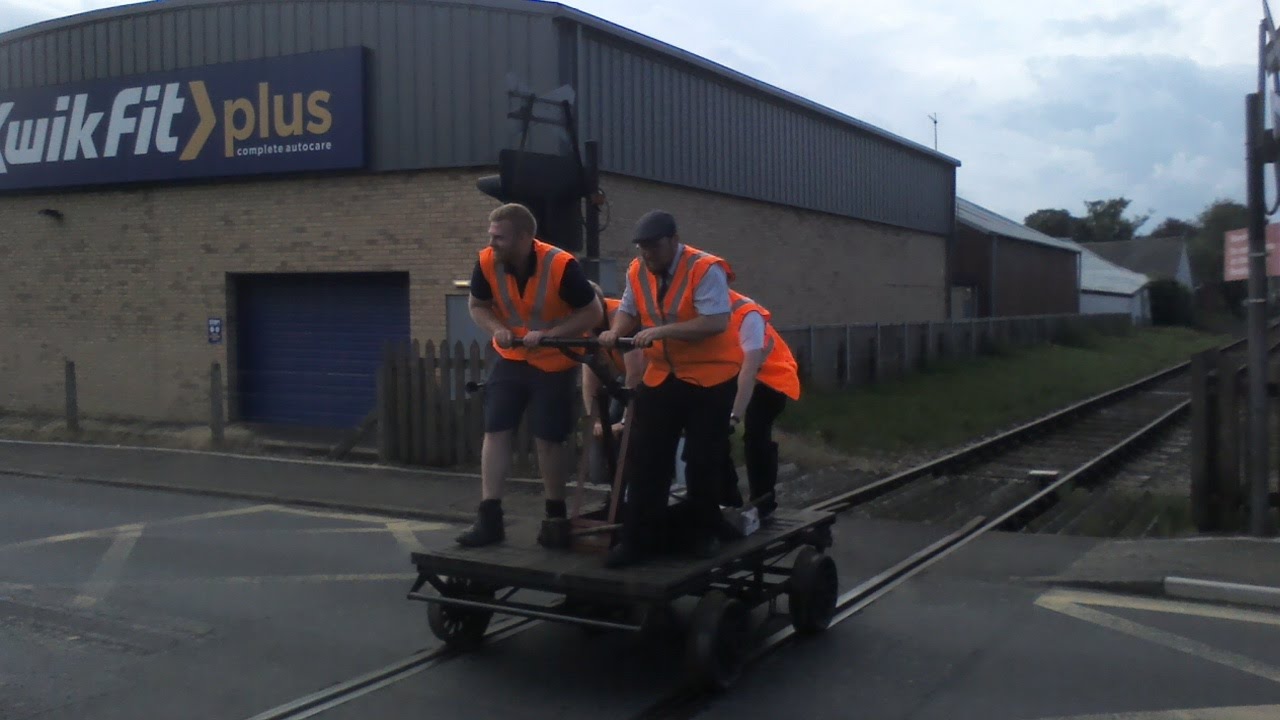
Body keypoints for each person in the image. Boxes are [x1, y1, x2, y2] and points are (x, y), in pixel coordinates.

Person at [598, 210, 742, 568]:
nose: (648, 255)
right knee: (647, 457)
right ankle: (637, 540)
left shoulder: (705, 269)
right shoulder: (637, 270)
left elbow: (715, 322)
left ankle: (705, 531)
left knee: (702, 457)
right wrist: (616, 330)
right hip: (663, 376)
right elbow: (629, 311)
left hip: (710, 378)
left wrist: (661, 332)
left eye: (654, 248)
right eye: (643, 249)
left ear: (673, 241)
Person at [456, 203, 603, 548]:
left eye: (500, 237)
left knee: (548, 438)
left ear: (524, 237)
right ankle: (489, 517)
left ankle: (554, 517)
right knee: (496, 429)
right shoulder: (487, 262)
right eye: (491, 236)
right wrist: (496, 328)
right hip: (512, 356)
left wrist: (553, 334)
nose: (492, 243)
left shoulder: (561, 265)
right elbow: (477, 306)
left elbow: (592, 312)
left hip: (554, 360)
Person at [720, 290, 801, 521]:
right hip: (743, 375)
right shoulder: (706, 307)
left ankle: (763, 500)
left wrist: (735, 415)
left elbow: (750, 368)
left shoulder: (742, 313)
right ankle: (729, 501)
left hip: (772, 378)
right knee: (715, 434)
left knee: (755, 433)